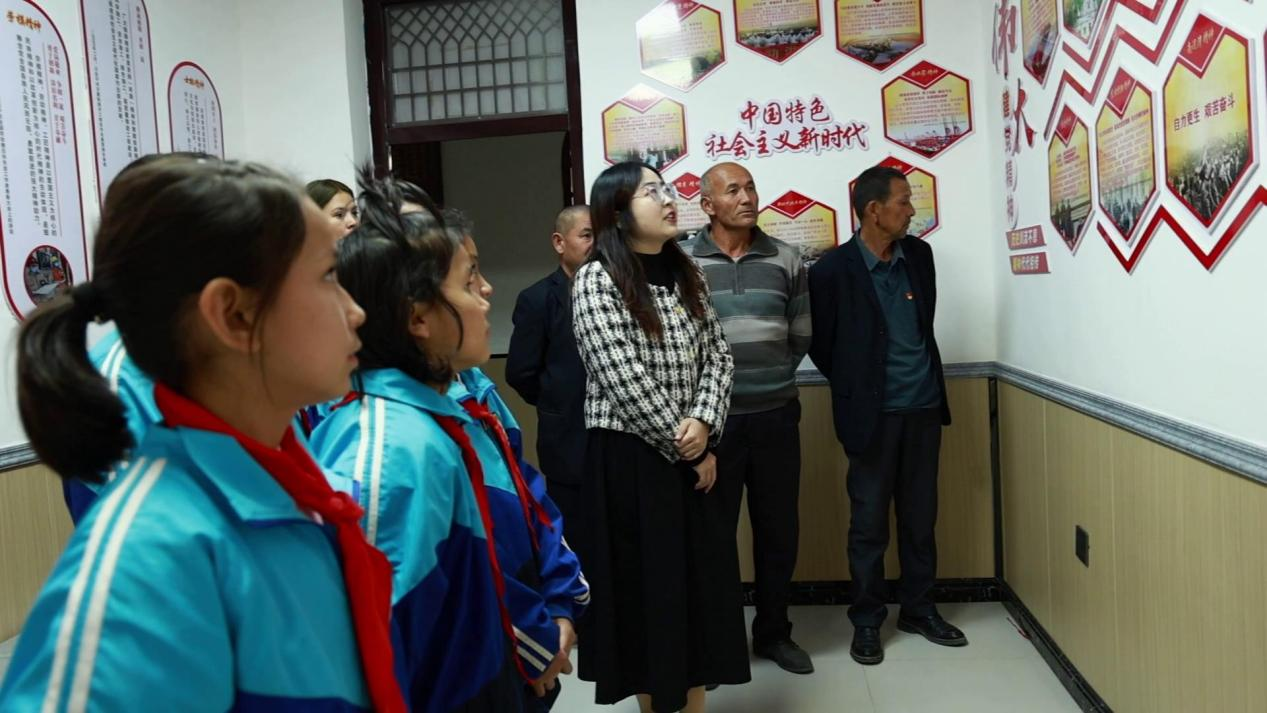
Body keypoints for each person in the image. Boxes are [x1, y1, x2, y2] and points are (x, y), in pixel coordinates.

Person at [0, 157, 406, 711]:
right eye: (328, 277)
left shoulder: (290, 488)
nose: (356, 311)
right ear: (233, 315)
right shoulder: (150, 563)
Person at [308, 172, 527, 712]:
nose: (485, 295)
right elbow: (375, 648)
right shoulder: (391, 450)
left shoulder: (431, 420)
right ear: (417, 317)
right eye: (468, 281)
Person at [572, 162, 749, 713]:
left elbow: (719, 355)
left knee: (697, 597)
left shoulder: (687, 270)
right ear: (618, 212)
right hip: (634, 463)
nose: (668, 199)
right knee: (651, 601)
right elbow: (621, 377)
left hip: (695, 451)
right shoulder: (596, 278)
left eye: (666, 189)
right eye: (652, 192)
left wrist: (705, 423)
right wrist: (687, 447)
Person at [808, 165, 966, 667]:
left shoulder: (919, 256)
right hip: (871, 418)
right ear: (874, 210)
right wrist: (858, 388)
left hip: (923, 409)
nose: (911, 210)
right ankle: (867, 620)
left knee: (920, 519)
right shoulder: (830, 271)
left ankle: (919, 609)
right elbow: (821, 345)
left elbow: (923, 323)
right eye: (903, 201)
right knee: (869, 525)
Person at [443, 205, 591, 711]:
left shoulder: (477, 391)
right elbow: (471, 568)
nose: (487, 289)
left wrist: (559, 607)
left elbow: (530, 499)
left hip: (530, 631)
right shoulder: (410, 438)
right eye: (470, 276)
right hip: (487, 656)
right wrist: (534, 640)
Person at [682, 162, 813, 675]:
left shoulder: (786, 257)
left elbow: (800, 333)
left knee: (779, 531)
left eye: (751, 187)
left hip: (776, 416)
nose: (747, 197)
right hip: (712, 425)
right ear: (707, 205)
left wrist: (770, 375)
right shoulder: (682, 261)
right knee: (712, 536)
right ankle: (718, 642)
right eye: (732, 190)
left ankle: (774, 633)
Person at [506, 204, 593, 548]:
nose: (596, 244)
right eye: (586, 235)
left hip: (614, 444)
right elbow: (520, 372)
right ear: (559, 242)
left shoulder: (620, 293)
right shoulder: (538, 299)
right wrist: (556, 398)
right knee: (579, 540)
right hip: (567, 440)